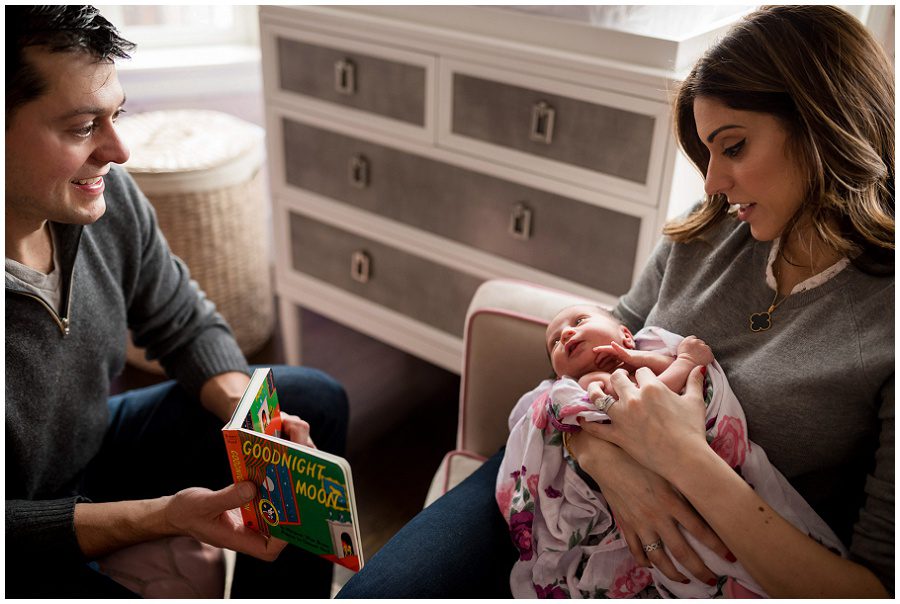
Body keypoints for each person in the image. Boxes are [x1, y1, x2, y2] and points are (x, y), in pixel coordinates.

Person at [337, 5, 893, 598]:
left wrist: (682, 461)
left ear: (821, 122)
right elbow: (597, 352)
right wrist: (607, 460)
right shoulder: (708, 233)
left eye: (733, 147)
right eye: (707, 153)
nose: (711, 182)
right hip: (568, 477)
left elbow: (873, 590)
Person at [6, 6, 348, 598]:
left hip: (89, 449)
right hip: (16, 531)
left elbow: (184, 323)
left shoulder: (102, 202)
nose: (118, 150)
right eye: (84, 126)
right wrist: (162, 516)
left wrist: (254, 428)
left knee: (310, 400)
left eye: (117, 115)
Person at [498, 305, 846, 597]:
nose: (567, 336)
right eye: (556, 342)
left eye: (578, 323)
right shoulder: (587, 383)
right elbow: (637, 409)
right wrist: (683, 364)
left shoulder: (643, 355)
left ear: (626, 334)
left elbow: (687, 380)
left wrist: (644, 358)